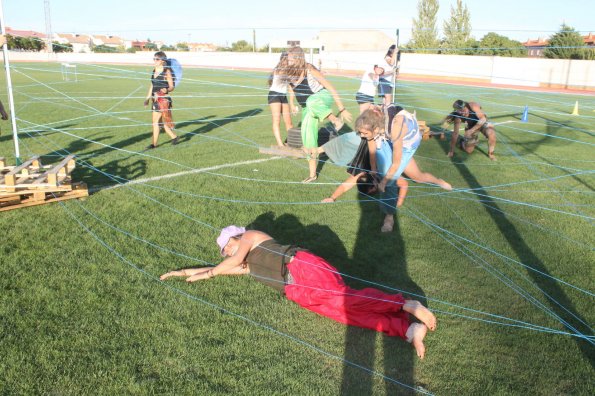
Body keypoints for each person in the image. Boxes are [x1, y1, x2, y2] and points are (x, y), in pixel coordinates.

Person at [160, 226, 437, 359]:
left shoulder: (251, 237)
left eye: (226, 246)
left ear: (235, 237)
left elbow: (225, 264)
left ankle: (405, 304)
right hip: (295, 290)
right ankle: (408, 330)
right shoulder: (245, 264)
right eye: (224, 251)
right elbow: (222, 267)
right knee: (343, 314)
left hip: (302, 267)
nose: (227, 252)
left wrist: (209, 273)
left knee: (345, 299)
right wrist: (184, 273)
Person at [357, 106, 452, 232]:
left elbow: (395, 164)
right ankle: (389, 214)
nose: (362, 136)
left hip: (408, 145)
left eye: (365, 133)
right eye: (361, 133)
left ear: (376, 128)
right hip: (388, 138)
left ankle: (438, 181)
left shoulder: (396, 128)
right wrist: (373, 169)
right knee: (395, 174)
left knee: (394, 179)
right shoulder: (372, 118)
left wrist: (384, 181)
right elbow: (371, 143)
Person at [283, 46, 352, 183]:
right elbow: (290, 88)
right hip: (308, 108)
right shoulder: (289, 73)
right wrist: (292, 104)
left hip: (322, 98)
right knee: (308, 139)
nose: (287, 60)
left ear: (298, 58)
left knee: (311, 101)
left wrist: (341, 109)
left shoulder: (310, 69)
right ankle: (312, 174)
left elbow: (330, 87)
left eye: (290, 58)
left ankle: (335, 121)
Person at [144, 51, 179, 149]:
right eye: (154, 59)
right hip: (154, 99)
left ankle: (153, 144)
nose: (154, 61)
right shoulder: (154, 70)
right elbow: (152, 85)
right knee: (159, 123)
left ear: (163, 61)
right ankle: (174, 137)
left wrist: (167, 89)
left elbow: (172, 86)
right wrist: (147, 99)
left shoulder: (166, 71)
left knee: (155, 123)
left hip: (162, 99)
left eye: (157, 59)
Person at [268, 52, 299, 147]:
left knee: (289, 122)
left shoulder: (289, 71)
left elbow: (291, 88)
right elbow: (289, 76)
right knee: (276, 120)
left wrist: (292, 104)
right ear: (283, 60)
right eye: (288, 59)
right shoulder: (278, 70)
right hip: (274, 95)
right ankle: (280, 144)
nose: (290, 61)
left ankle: (291, 142)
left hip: (283, 95)